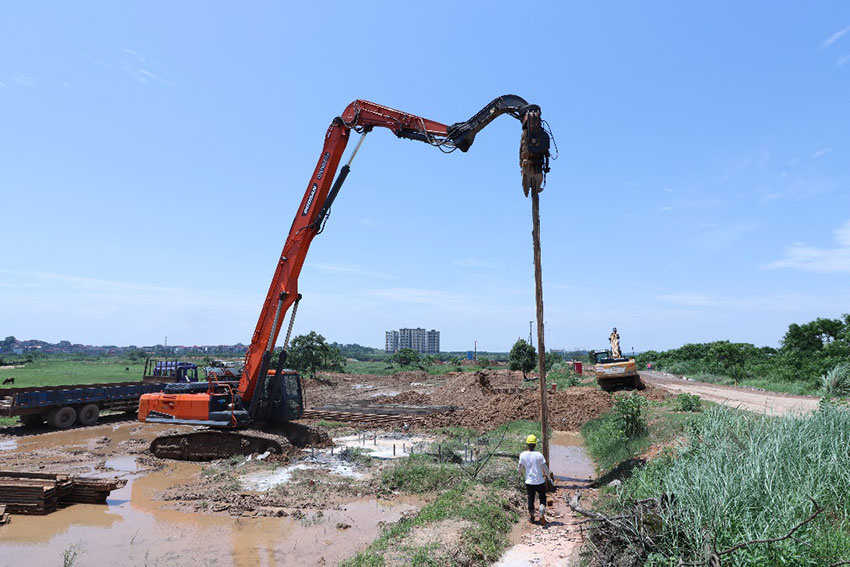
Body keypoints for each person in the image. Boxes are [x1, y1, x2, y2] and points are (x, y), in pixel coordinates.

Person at [518, 434, 552, 524]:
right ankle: (541, 512)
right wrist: (549, 478)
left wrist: (518, 476)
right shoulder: (539, 455)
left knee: (530, 499)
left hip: (529, 482)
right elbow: (545, 468)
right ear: (535, 444)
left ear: (527, 444)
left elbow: (520, 468)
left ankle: (532, 517)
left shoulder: (523, 455)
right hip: (540, 481)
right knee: (542, 498)